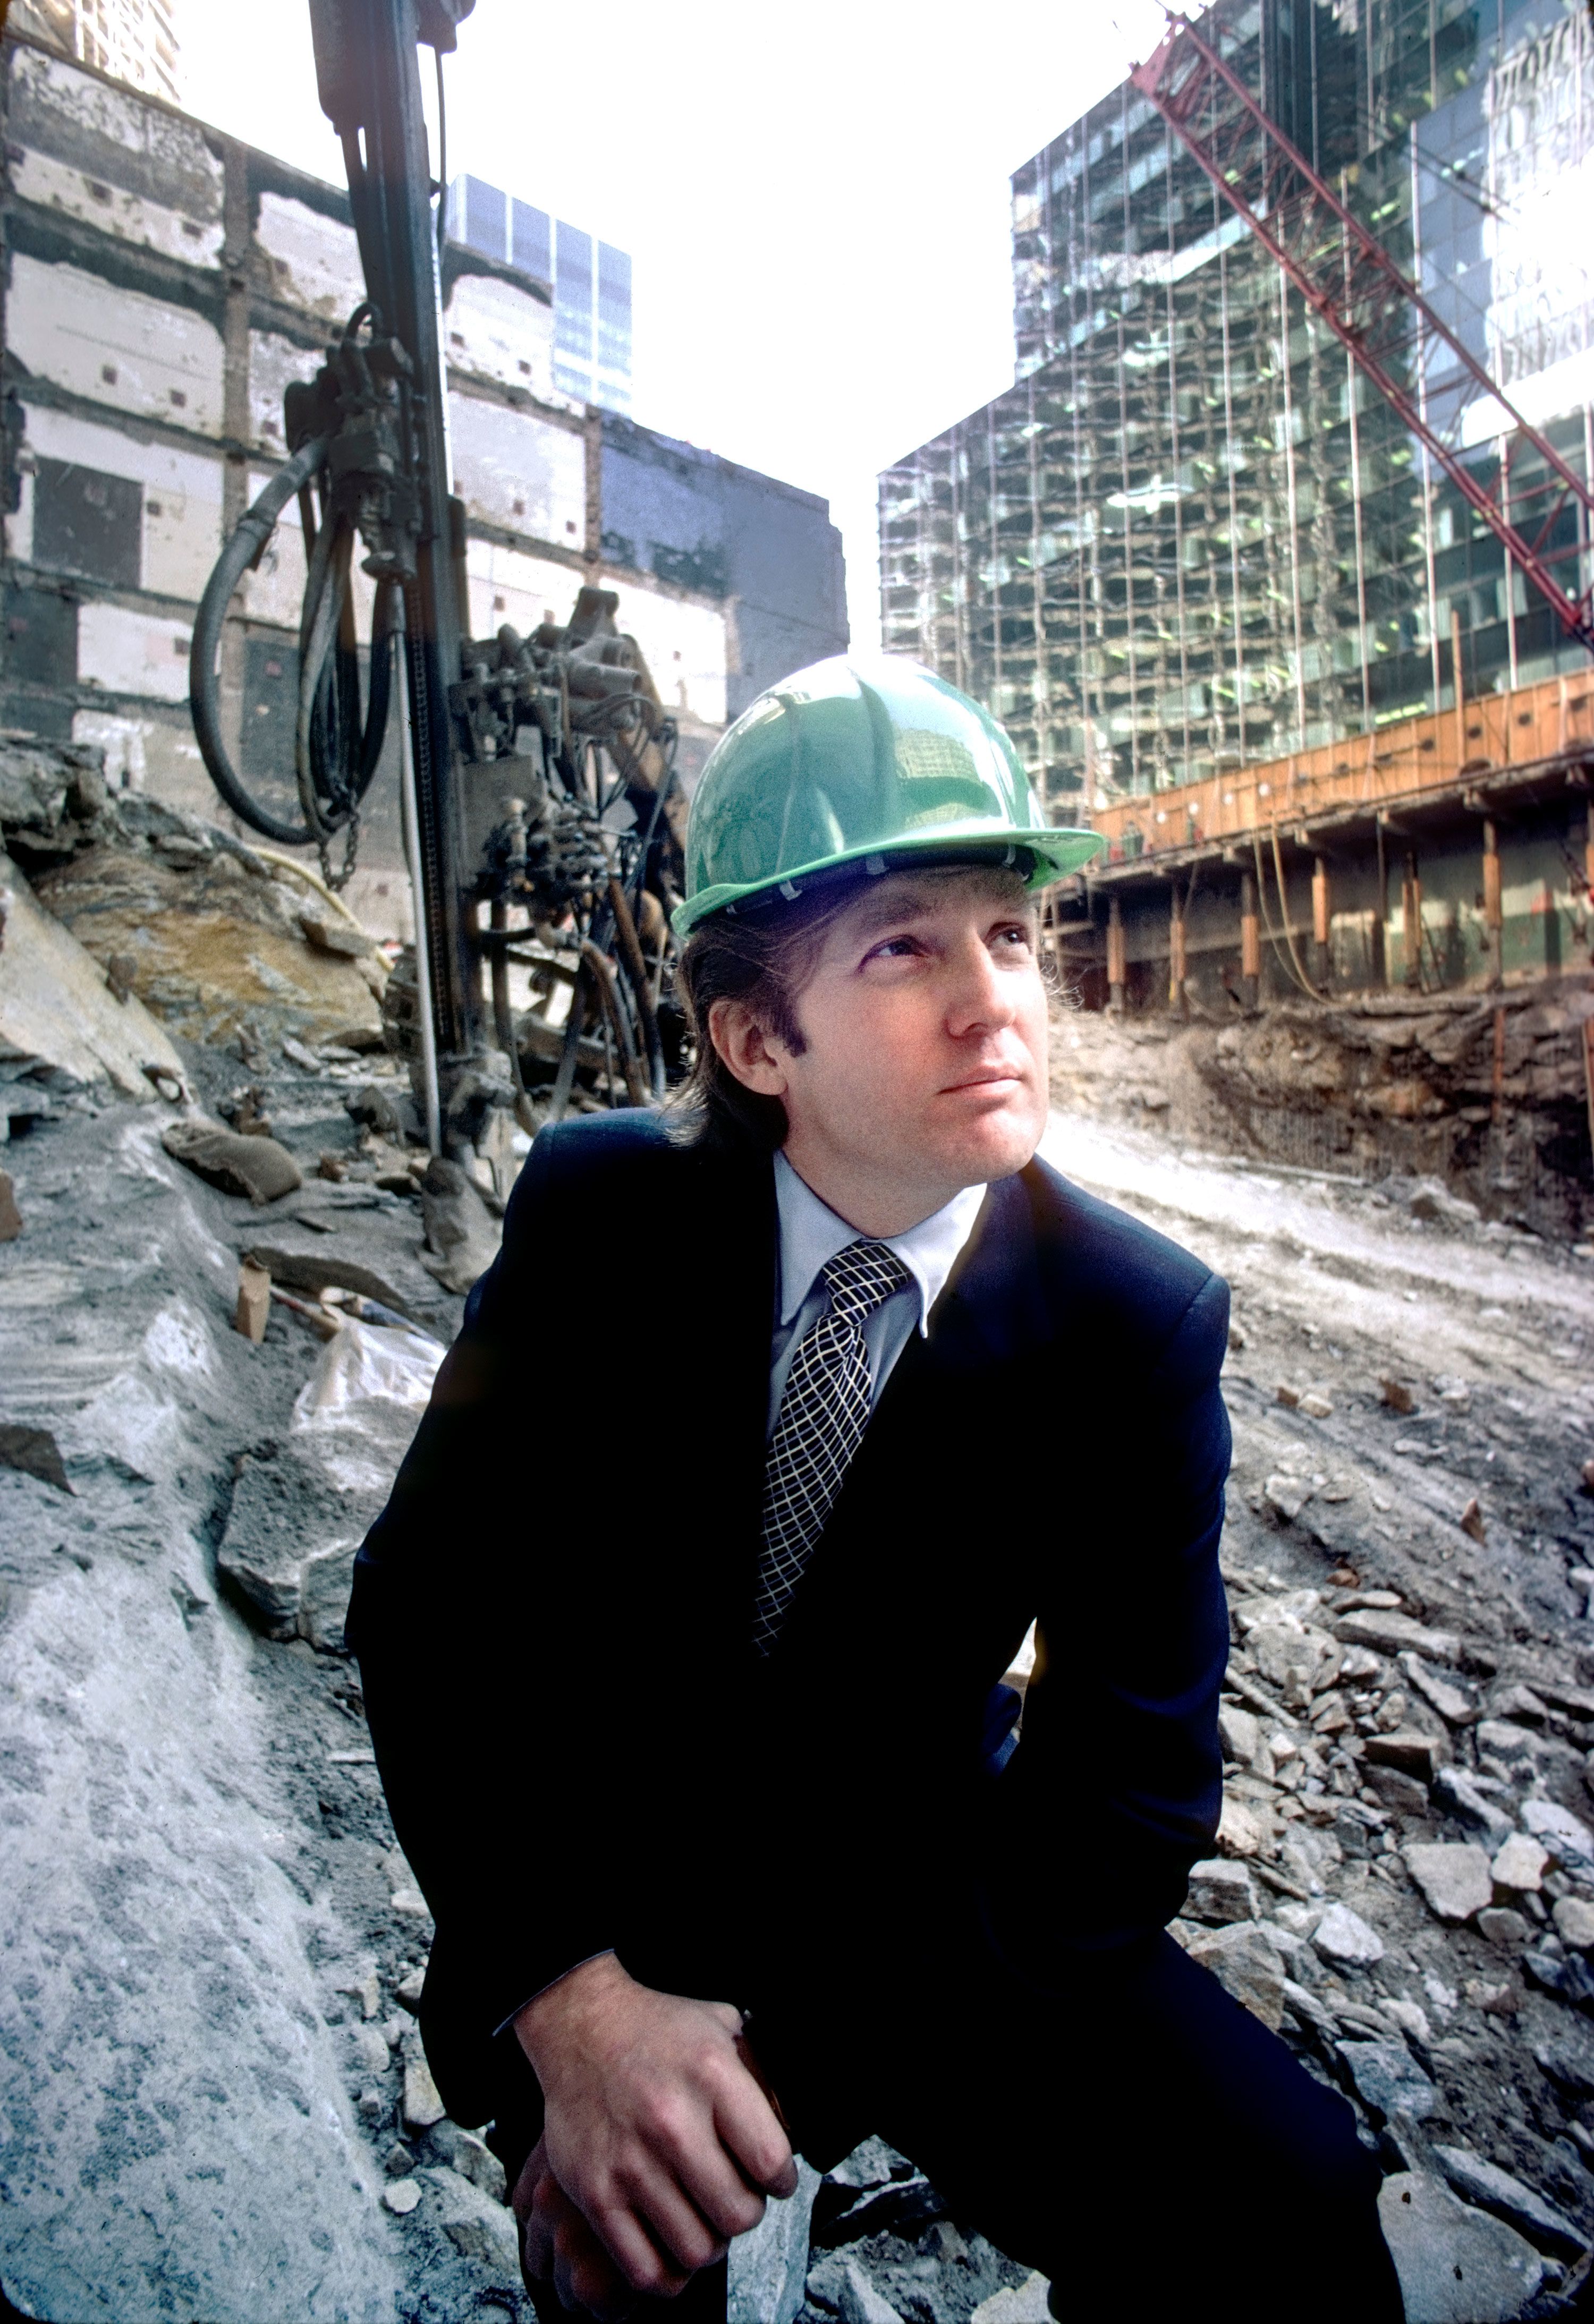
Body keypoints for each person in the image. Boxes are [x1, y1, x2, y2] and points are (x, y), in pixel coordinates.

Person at [347, 658, 1403, 2323]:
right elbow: (428, 1612)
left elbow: (1125, 1796)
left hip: (924, 1887)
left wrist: (767, 2077)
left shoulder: (1134, 1322)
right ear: (762, 1036)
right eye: (906, 945)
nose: (994, 1000)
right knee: (616, 2246)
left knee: (1293, 2225)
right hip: (620, 1837)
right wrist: (574, 2008)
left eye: (1006, 932)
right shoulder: (603, 1212)